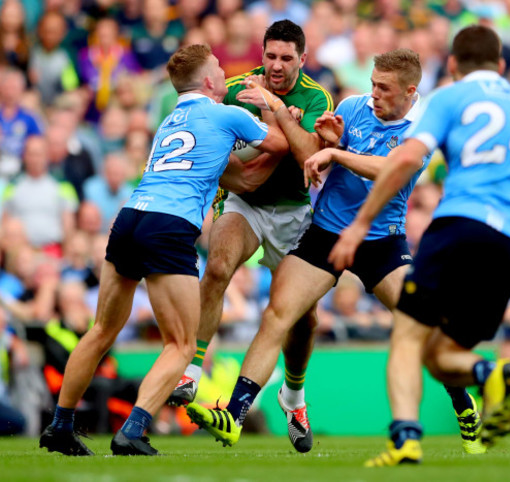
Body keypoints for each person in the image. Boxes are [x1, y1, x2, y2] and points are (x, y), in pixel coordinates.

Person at [185, 48, 485, 456]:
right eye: (373, 83)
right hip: (326, 233)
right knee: (278, 313)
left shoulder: (423, 127)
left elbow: (391, 172)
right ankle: (234, 416)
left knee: (424, 326)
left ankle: (463, 404)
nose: (373, 93)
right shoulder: (353, 107)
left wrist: (337, 152)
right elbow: (319, 156)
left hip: (381, 241)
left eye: (384, 88)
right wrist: (326, 139)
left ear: (410, 91)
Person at [327, 25, 510, 466]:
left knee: (409, 337)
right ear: (503, 66)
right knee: (445, 353)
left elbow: (407, 159)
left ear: (452, 65)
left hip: (460, 226)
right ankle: (492, 373)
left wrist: (359, 225)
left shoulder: (450, 97)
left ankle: (406, 438)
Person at [38, 43, 288, 457]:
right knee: (182, 345)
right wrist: (274, 105)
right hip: (170, 226)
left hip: (130, 217)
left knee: (101, 331)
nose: (226, 74)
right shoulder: (227, 113)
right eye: (220, 69)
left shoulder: (169, 122)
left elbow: (238, 180)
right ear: (208, 81)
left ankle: (60, 426)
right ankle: (133, 430)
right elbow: (280, 145)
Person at [168, 21, 333, 444]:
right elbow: (208, 135)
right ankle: (190, 369)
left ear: (302, 58)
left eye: (286, 58)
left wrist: (275, 110)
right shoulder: (236, 87)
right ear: (262, 52)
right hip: (244, 203)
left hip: (296, 211)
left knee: (303, 318)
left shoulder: (316, 97)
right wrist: (243, 166)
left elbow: (309, 158)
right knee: (219, 265)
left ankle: (293, 397)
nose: (276, 66)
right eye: (270, 56)